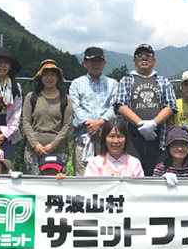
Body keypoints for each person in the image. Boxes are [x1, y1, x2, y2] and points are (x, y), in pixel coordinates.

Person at [114, 44, 177, 176]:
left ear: (154, 61)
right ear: (134, 61)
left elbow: (170, 106)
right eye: (140, 56)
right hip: (133, 136)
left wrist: (153, 123)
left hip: (158, 136)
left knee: (157, 173)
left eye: (148, 55)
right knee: (133, 173)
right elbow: (120, 106)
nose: (144, 58)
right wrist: (141, 124)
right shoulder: (127, 80)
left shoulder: (163, 81)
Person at [69, 47, 117, 176]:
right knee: (82, 177)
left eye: (99, 61)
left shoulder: (113, 84)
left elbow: (114, 107)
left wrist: (99, 123)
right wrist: (90, 124)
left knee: (107, 175)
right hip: (83, 138)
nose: (96, 64)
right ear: (85, 63)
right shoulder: (76, 84)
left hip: (106, 139)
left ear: (104, 63)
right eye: (92, 61)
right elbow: (75, 107)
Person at [21, 59, 73, 175]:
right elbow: (26, 122)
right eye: (46, 75)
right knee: (35, 183)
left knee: (56, 182)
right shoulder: (31, 97)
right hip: (33, 150)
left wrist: (53, 146)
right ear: (40, 77)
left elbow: (67, 125)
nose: (49, 78)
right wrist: (35, 145)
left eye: (53, 75)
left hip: (58, 151)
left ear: (58, 78)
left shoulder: (65, 99)